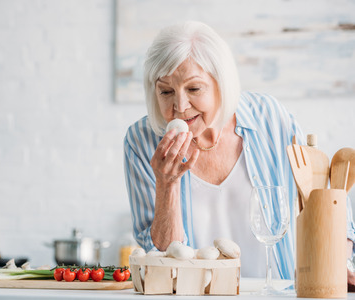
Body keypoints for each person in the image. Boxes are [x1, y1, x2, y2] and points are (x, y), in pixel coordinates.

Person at [123, 21, 355, 281]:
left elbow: (324, 197)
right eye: (166, 91)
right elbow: (162, 260)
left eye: (194, 88)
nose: (180, 105)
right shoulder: (141, 142)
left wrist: (339, 261)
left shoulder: (269, 118)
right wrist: (167, 185)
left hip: (277, 293)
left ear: (221, 82)